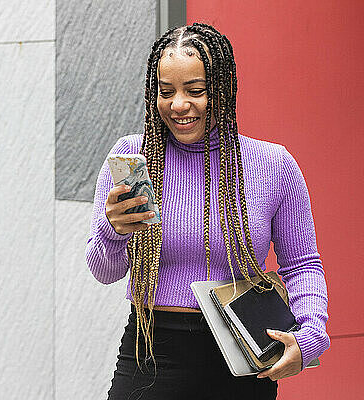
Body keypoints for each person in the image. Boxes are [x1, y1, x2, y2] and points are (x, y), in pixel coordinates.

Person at [85, 23, 330, 400]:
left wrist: (310, 335)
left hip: (245, 350)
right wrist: (113, 230)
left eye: (195, 91)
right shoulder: (136, 160)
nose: (178, 105)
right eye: (166, 92)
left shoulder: (273, 164)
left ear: (222, 89)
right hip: (151, 352)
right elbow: (104, 272)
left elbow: (302, 265)